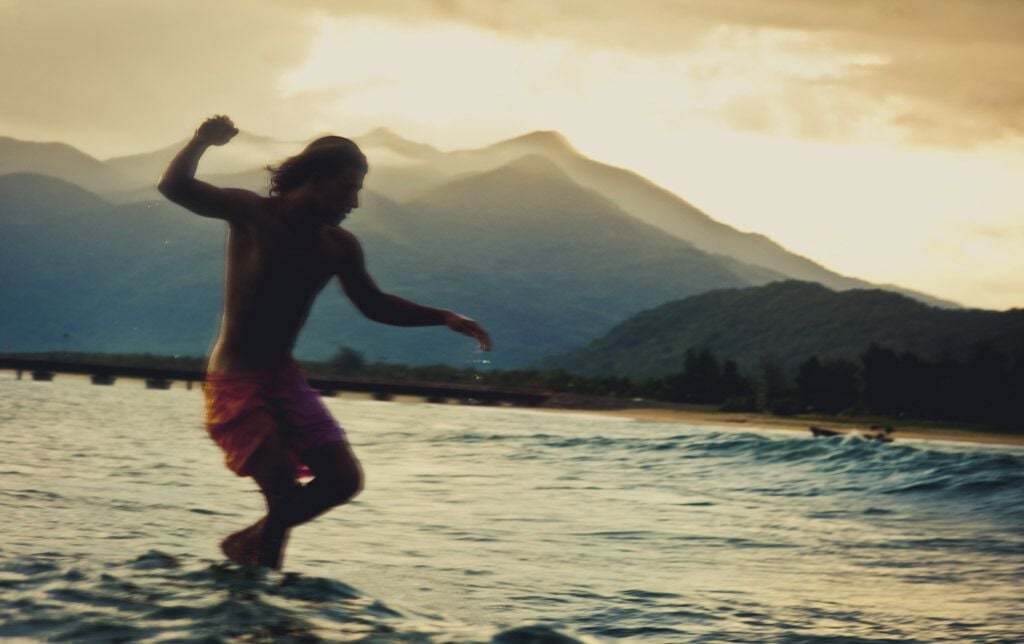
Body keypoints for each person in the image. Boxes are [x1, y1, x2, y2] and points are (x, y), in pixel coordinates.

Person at [158, 115, 491, 569]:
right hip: (236, 382)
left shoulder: (338, 246)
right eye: (347, 188)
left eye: (358, 190)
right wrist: (200, 141)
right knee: (282, 494)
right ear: (314, 181)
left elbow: (374, 304)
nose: (354, 201)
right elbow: (174, 187)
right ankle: (264, 597)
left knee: (343, 480)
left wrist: (445, 317)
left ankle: (247, 553)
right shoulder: (253, 214)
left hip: (284, 381)